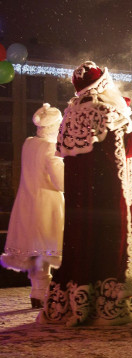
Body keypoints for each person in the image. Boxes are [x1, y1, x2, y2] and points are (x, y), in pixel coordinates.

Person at [38, 61, 132, 326]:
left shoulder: (72, 114)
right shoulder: (105, 111)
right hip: (111, 197)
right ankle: (113, 307)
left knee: (84, 245)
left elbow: (96, 151)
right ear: (103, 85)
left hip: (83, 201)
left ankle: (80, 303)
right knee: (111, 247)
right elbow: (123, 148)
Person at [1, 104, 64, 309]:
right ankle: (42, 293)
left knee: (35, 250)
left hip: (27, 201)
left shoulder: (29, 143)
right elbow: (61, 182)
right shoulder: (50, 148)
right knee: (45, 250)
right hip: (47, 204)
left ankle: (37, 292)